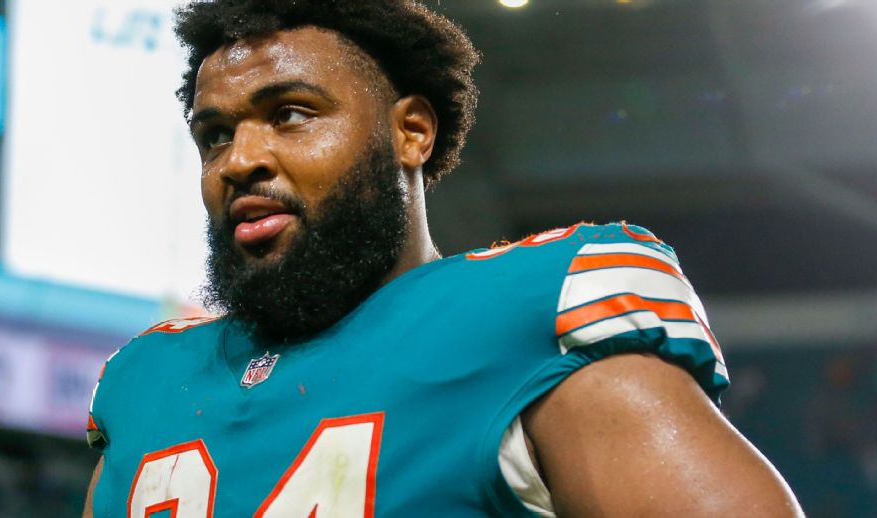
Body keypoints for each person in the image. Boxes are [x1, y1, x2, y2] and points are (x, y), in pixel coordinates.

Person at [82, 1, 802, 515]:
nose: (239, 160)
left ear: (413, 133)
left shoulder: (531, 315)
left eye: (291, 115)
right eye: (214, 135)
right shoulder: (147, 384)